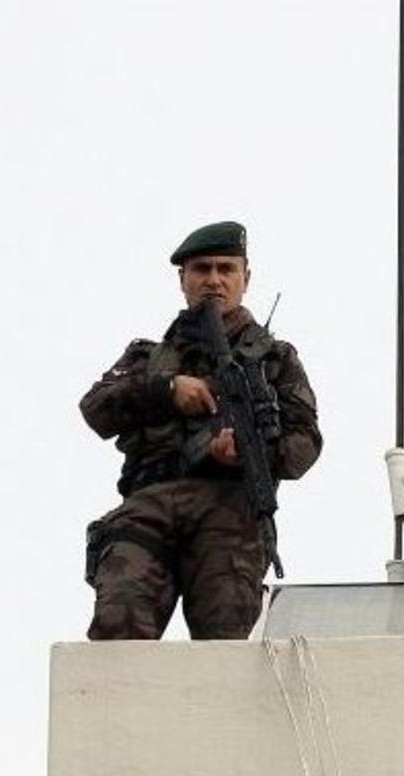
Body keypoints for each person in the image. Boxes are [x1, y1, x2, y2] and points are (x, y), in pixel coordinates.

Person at [79, 221, 321, 640]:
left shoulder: (273, 359)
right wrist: (167, 390)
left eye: (226, 269)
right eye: (202, 269)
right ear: (183, 279)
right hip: (150, 501)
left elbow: (306, 442)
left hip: (229, 508)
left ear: (245, 278)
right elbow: (97, 407)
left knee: (223, 643)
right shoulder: (148, 357)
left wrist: (250, 452)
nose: (214, 280)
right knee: (119, 628)